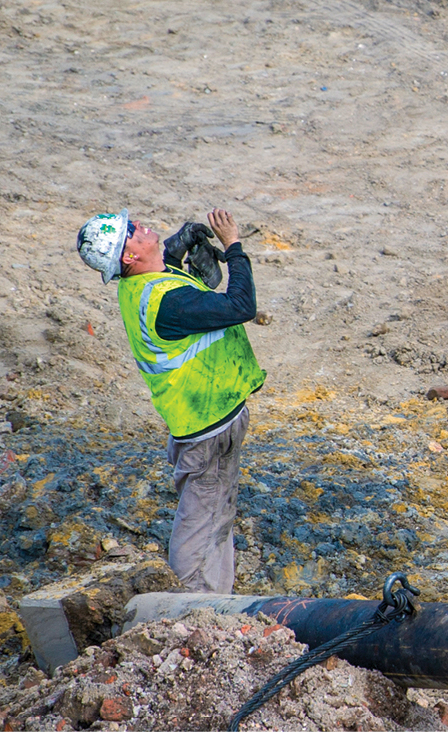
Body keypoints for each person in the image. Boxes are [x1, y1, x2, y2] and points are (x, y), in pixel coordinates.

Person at [76, 208, 265, 593]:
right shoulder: (167, 304)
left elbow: (165, 275)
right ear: (128, 257)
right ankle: (191, 605)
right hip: (206, 428)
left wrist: (176, 247)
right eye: (130, 231)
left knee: (217, 512)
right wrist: (233, 247)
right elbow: (241, 307)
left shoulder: (145, 281)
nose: (140, 225)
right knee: (201, 520)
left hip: (212, 417)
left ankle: (216, 602)